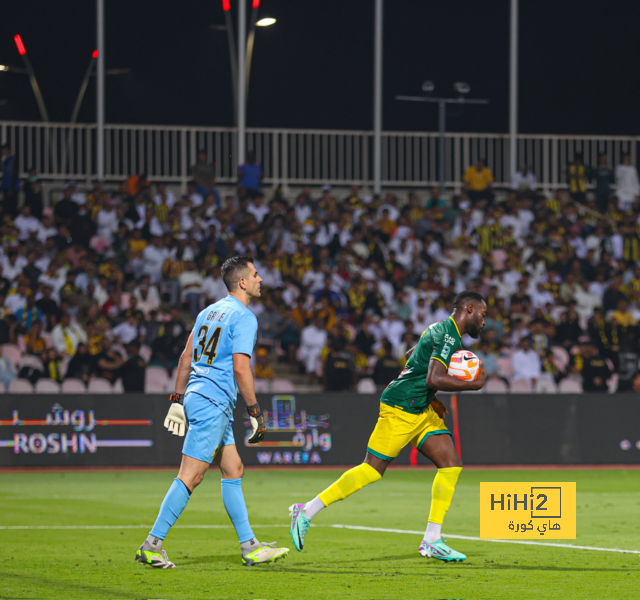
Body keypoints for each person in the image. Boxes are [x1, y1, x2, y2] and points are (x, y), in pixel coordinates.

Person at [289, 291, 488, 562]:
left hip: (420, 408)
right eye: (483, 315)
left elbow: (412, 355)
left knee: (450, 463)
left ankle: (432, 539)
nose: (484, 321)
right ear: (470, 309)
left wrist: (433, 399)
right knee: (372, 470)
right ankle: (306, 510)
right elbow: (433, 377)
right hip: (402, 407)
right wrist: (472, 385)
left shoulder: (439, 328)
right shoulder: (449, 335)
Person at [136, 256, 289, 569]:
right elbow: (241, 367)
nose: (261, 280)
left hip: (198, 396)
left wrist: (177, 400)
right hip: (213, 402)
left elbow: (184, 358)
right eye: (256, 275)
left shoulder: (208, 312)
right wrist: (256, 412)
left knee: (233, 469)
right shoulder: (245, 317)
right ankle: (152, 544)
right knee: (190, 476)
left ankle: (250, 546)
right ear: (242, 282)